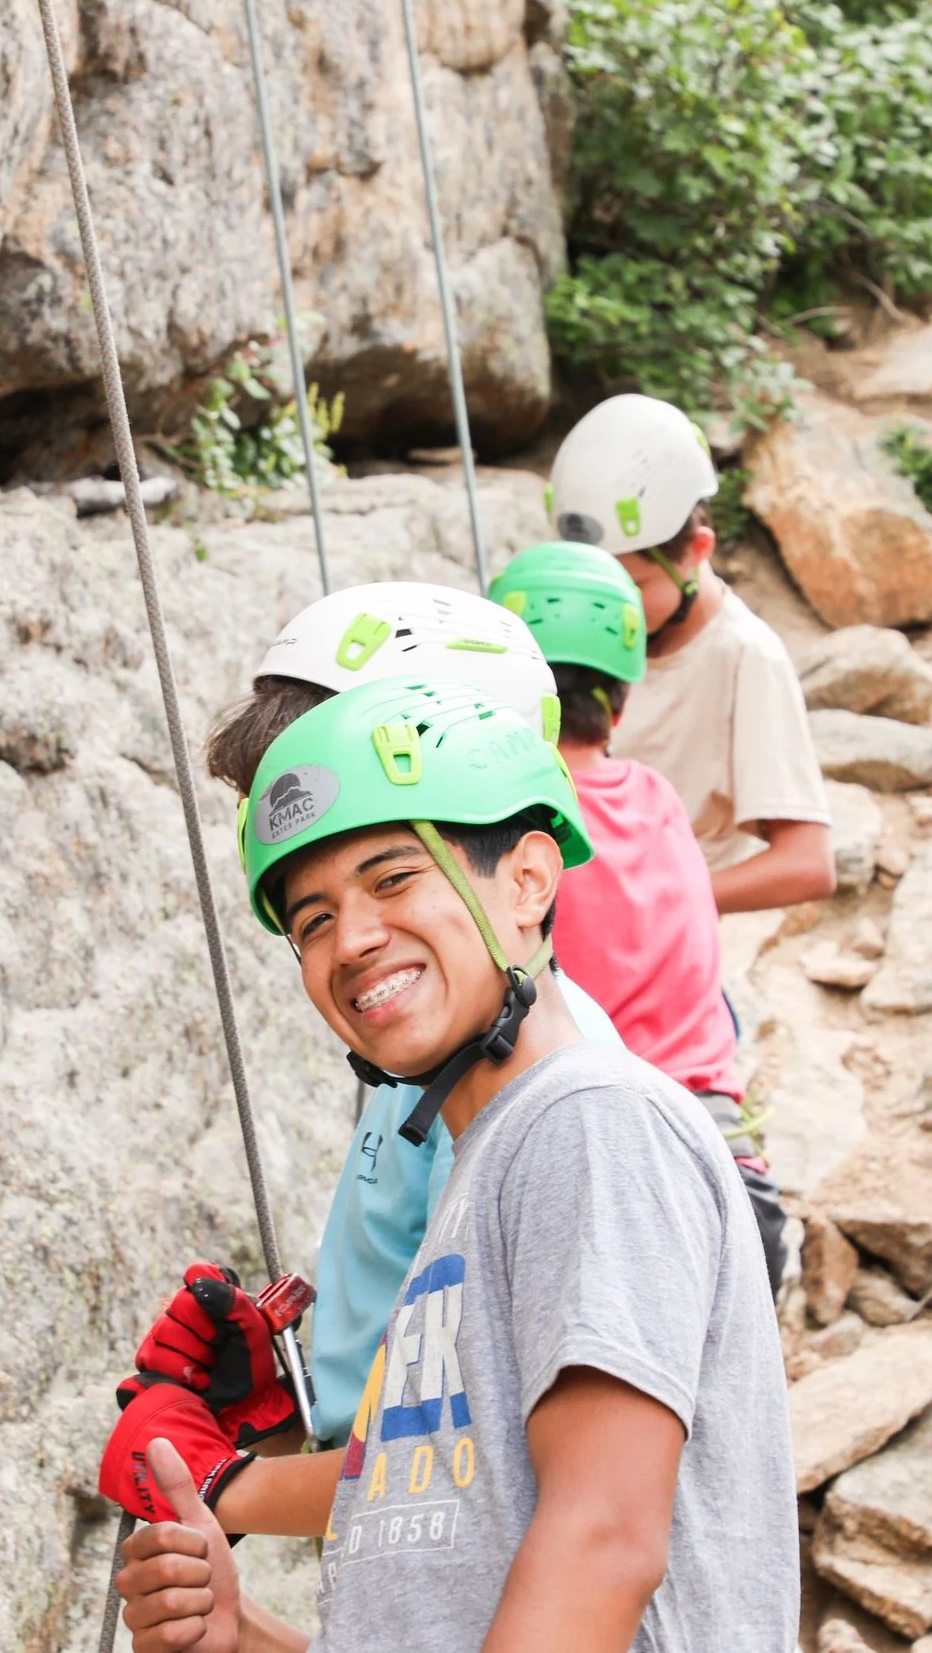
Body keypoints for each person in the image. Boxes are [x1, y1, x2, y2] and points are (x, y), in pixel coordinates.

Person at [103, 677, 797, 1653]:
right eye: (310, 921)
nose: (351, 939)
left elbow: (601, 1542)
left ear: (527, 880)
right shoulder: (477, 1188)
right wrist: (246, 1635)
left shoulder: (591, 1120)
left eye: (392, 879)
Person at [198, 582, 634, 1451]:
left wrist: (224, 1484)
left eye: (388, 870)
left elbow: (475, 1462)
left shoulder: (547, 1110)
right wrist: (279, 1410)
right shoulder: (426, 1070)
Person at [488, 539, 787, 1286]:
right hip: (729, 1164)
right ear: (624, 695)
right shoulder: (656, 797)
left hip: (615, 1157)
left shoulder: (518, 829)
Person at [546, 392, 835, 915]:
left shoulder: (745, 658)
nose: (611, 612)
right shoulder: (574, 619)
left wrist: (655, 904)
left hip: (663, 940)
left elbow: (807, 863)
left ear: (698, 550)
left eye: (632, 585)